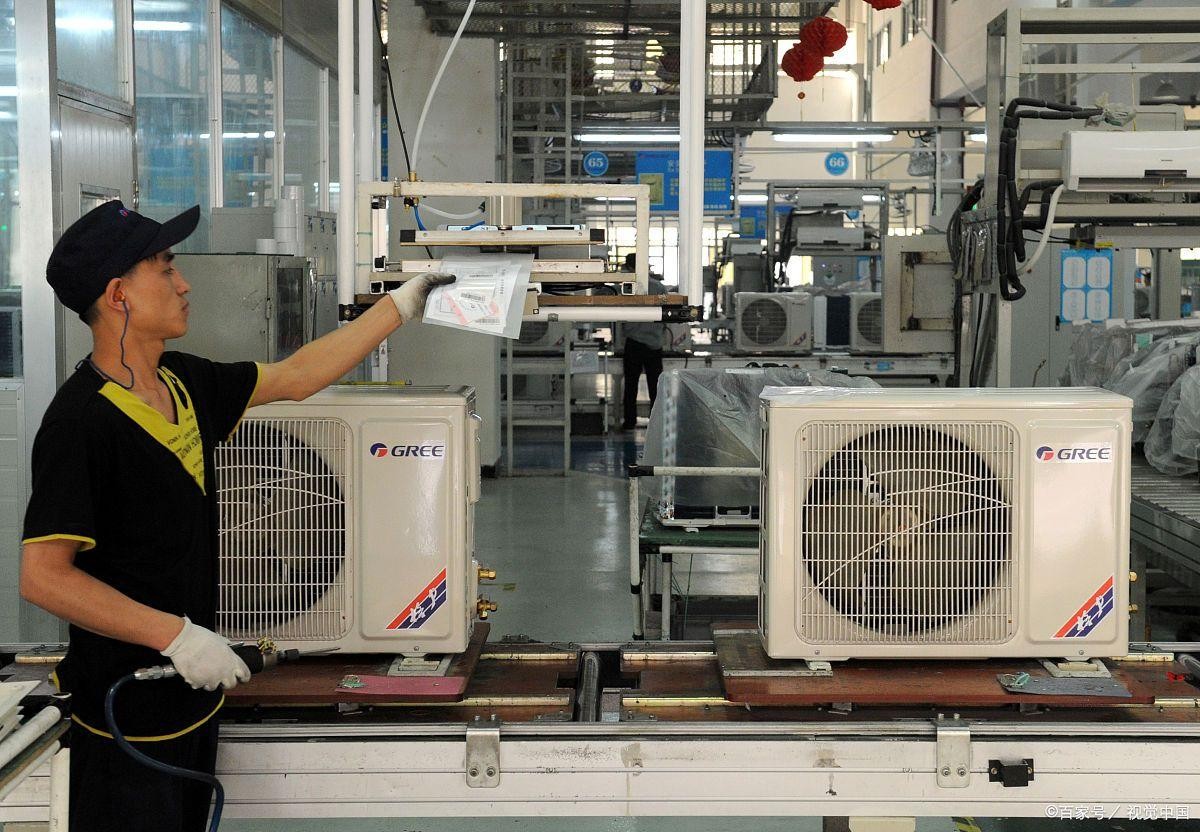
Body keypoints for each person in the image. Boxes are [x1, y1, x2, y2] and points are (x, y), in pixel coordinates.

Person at [18, 201, 452, 832]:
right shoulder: (79, 423)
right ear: (118, 296)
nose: (184, 284)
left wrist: (399, 306)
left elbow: (296, 376)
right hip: (122, 715)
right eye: (166, 268)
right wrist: (177, 637)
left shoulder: (183, 383)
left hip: (192, 696)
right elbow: (43, 577)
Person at [620, 253, 667, 430]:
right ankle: (656, 423)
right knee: (655, 386)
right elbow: (666, 314)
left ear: (630, 268)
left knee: (631, 385)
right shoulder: (659, 287)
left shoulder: (627, 287)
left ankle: (629, 421)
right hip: (654, 344)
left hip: (633, 343)